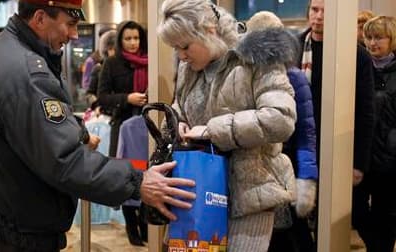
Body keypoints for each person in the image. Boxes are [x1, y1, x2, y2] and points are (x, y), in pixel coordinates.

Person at [0, 1, 196, 251]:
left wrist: (75, 133)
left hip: (3, 221)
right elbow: (64, 160)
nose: (74, 35)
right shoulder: (26, 73)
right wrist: (138, 182)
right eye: (70, 24)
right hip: (23, 232)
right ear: (40, 18)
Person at [158, 1, 298, 251]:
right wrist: (175, 122)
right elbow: (179, 107)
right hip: (199, 188)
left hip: (248, 197)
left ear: (209, 30)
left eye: (185, 46)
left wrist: (214, 130)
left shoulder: (257, 55)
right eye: (176, 48)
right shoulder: (189, 65)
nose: (181, 55)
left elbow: (281, 119)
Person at [299, 0, 375, 250]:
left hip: (335, 148)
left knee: (330, 219)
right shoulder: (294, 47)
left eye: (325, 12)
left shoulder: (355, 55)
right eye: (314, 10)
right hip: (296, 145)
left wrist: (358, 164)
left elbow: (365, 112)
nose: (318, 17)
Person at [239, 11, 317, 252]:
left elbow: (306, 132)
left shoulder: (293, 77)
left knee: (289, 240)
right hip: (248, 172)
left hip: (285, 168)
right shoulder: (240, 76)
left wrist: (306, 179)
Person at [96, 20, 149, 246]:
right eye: (127, 38)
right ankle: (132, 227)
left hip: (147, 127)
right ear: (120, 40)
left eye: (136, 38)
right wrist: (126, 98)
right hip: (123, 127)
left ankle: (147, 226)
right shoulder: (112, 64)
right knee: (126, 176)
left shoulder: (151, 61)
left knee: (148, 175)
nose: (132, 43)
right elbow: (102, 97)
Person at [363, 15, 396, 252]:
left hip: (390, 156)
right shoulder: (359, 67)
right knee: (357, 211)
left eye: (379, 37)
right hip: (363, 154)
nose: (373, 43)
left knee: (386, 213)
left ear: (392, 40)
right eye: (369, 37)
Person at [85, 29, 116, 112]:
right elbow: (89, 94)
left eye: (116, 49)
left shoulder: (125, 68)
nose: (113, 52)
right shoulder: (98, 68)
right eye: (111, 49)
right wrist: (96, 105)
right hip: (103, 114)